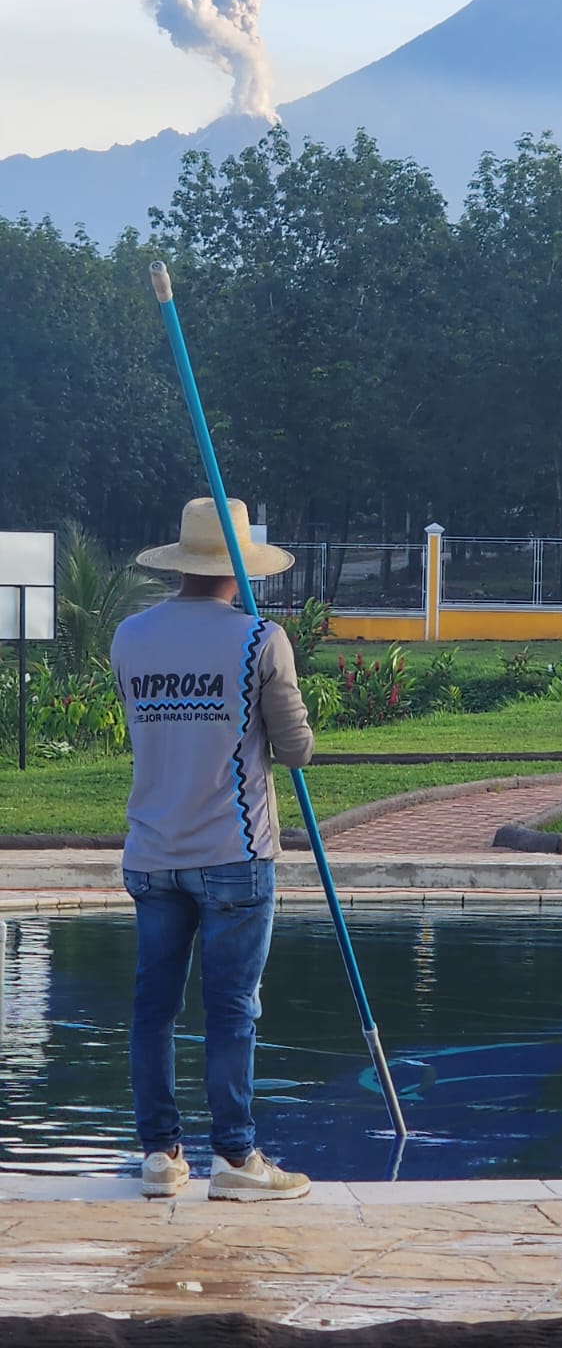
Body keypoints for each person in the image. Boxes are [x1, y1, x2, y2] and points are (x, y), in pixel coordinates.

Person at [110, 496, 314, 1201]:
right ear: (240, 569)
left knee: (153, 1008)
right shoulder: (260, 639)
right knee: (231, 1010)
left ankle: (159, 1157)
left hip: (152, 853)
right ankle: (233, 1160)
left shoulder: (130, 636)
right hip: (234, 852)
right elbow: (296, 750)